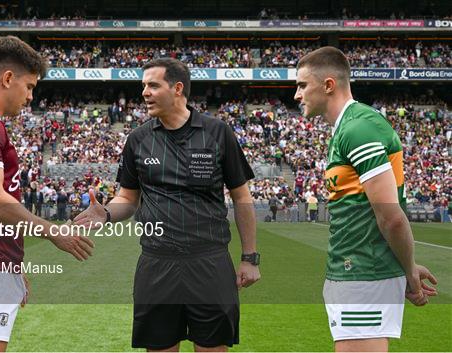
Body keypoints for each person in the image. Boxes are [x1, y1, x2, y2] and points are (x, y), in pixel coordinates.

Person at [74, 58, 260, 352]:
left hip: (209, 261)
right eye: (143, 86)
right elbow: (128, 198)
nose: (144, 92)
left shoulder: (217, 132)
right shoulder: (138, 139)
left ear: (177, 88)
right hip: (157, 262)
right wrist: (107, 212)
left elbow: (242, 197)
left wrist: (250, 258)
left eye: (153, 85)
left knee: (213, 347)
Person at [0, 35, 94, 352]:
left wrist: (10, 261)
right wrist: (55, 233)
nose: (30, 97)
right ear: (8, 78)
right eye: (29, 87)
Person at [294, 46, 438, 352]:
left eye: (302, 85)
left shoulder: (359, 127)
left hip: (364, 273)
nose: (297, 94)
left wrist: (409, 272)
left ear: (328, 85)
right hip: (353, 271)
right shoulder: (346, 128)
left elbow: (391, 216)